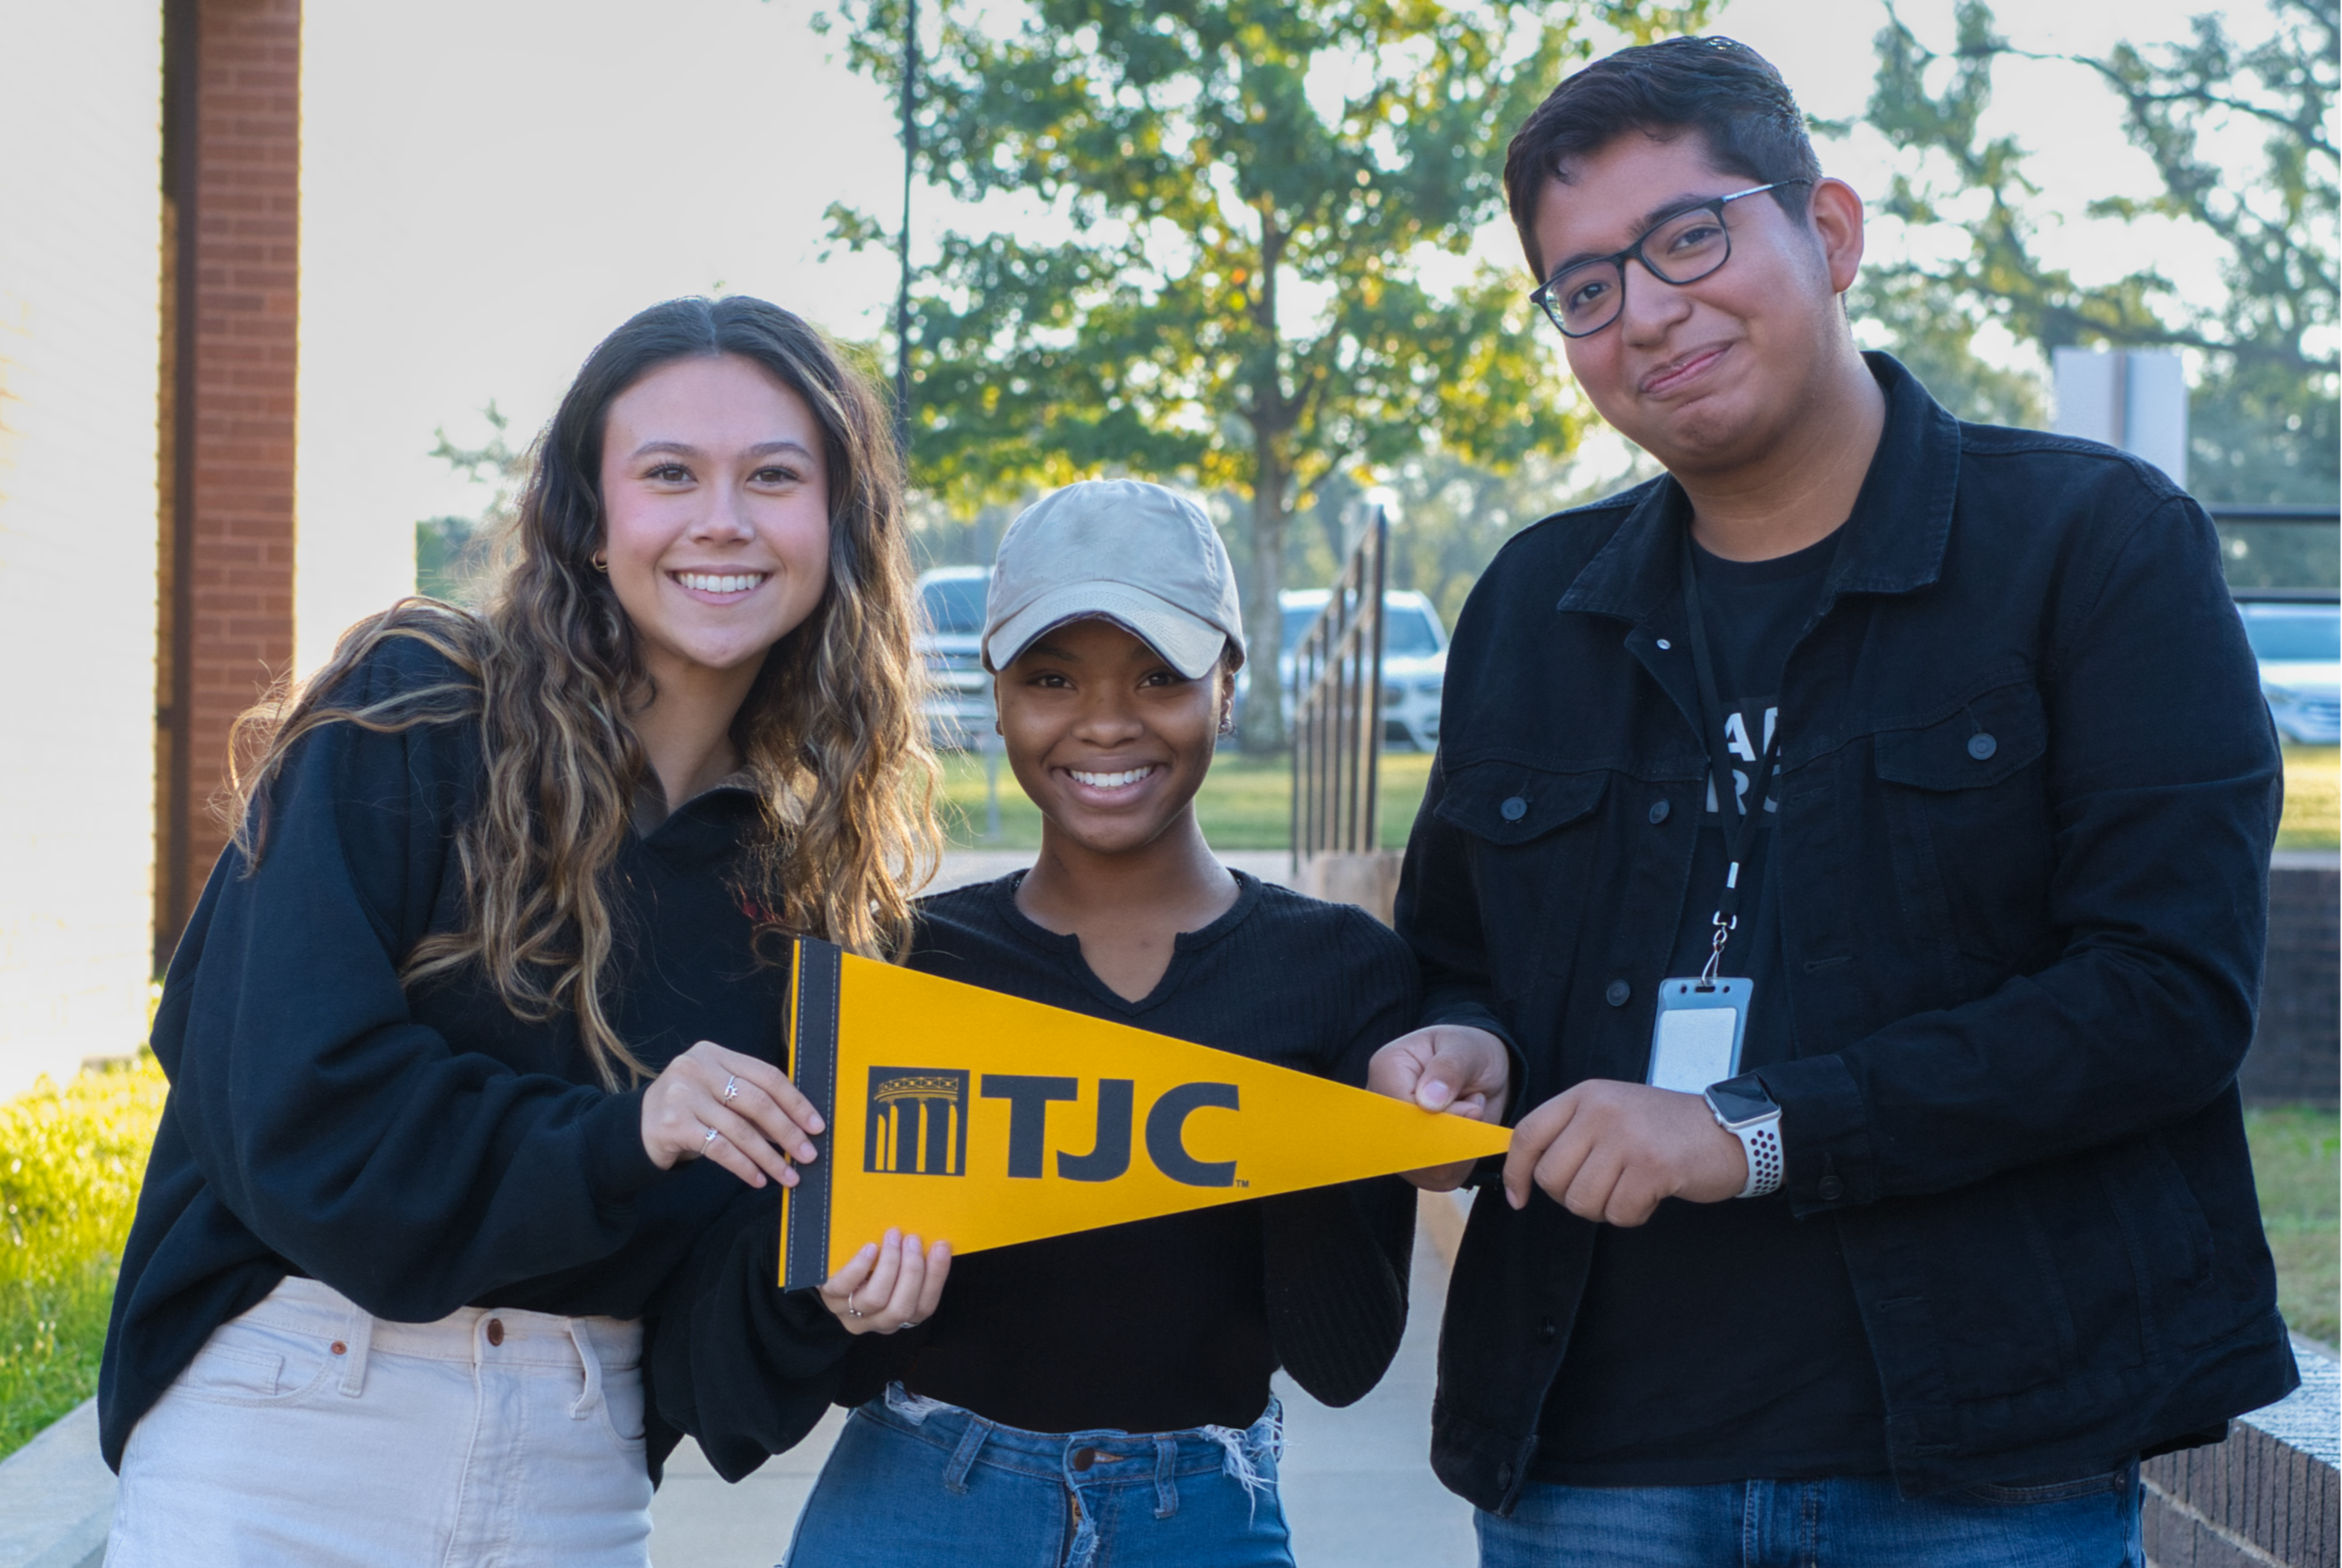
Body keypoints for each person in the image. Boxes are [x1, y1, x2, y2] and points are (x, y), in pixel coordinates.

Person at [1366, 35, 2300, 1567]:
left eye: (1687, 236)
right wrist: (1449, 1043)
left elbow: (2163, 995)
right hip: (1584, 1466)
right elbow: (1453, 951)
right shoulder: (1535, 603)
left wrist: (1745, 1129)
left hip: (1984, 1465)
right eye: (1583, 288)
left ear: (1833, 230)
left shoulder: (2093, 549)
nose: (1645, 312)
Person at [99, 295, 938, 1567]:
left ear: (838, 525)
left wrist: (818, 1287)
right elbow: (288, 1111)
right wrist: (629, 1134)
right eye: (670, 474)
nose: (723, 517)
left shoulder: (807, 888)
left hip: (572, 1459)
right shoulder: (414, 714)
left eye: (774, 476)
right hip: (289, 1416)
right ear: (591, 521)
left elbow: (705, 1356)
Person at [654, 478, 1424, 1568]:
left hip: (1203, 1518)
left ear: (1229, 686)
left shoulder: (1340, 969)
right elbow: (785, 1349)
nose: (1106, 721)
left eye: (1159, 676)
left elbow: (1344, 1358)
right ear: (999, 695)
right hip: (920, 1499)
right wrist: (839, 1299)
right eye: (1052, 678)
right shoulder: (905, 964)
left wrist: (1284, 1124)